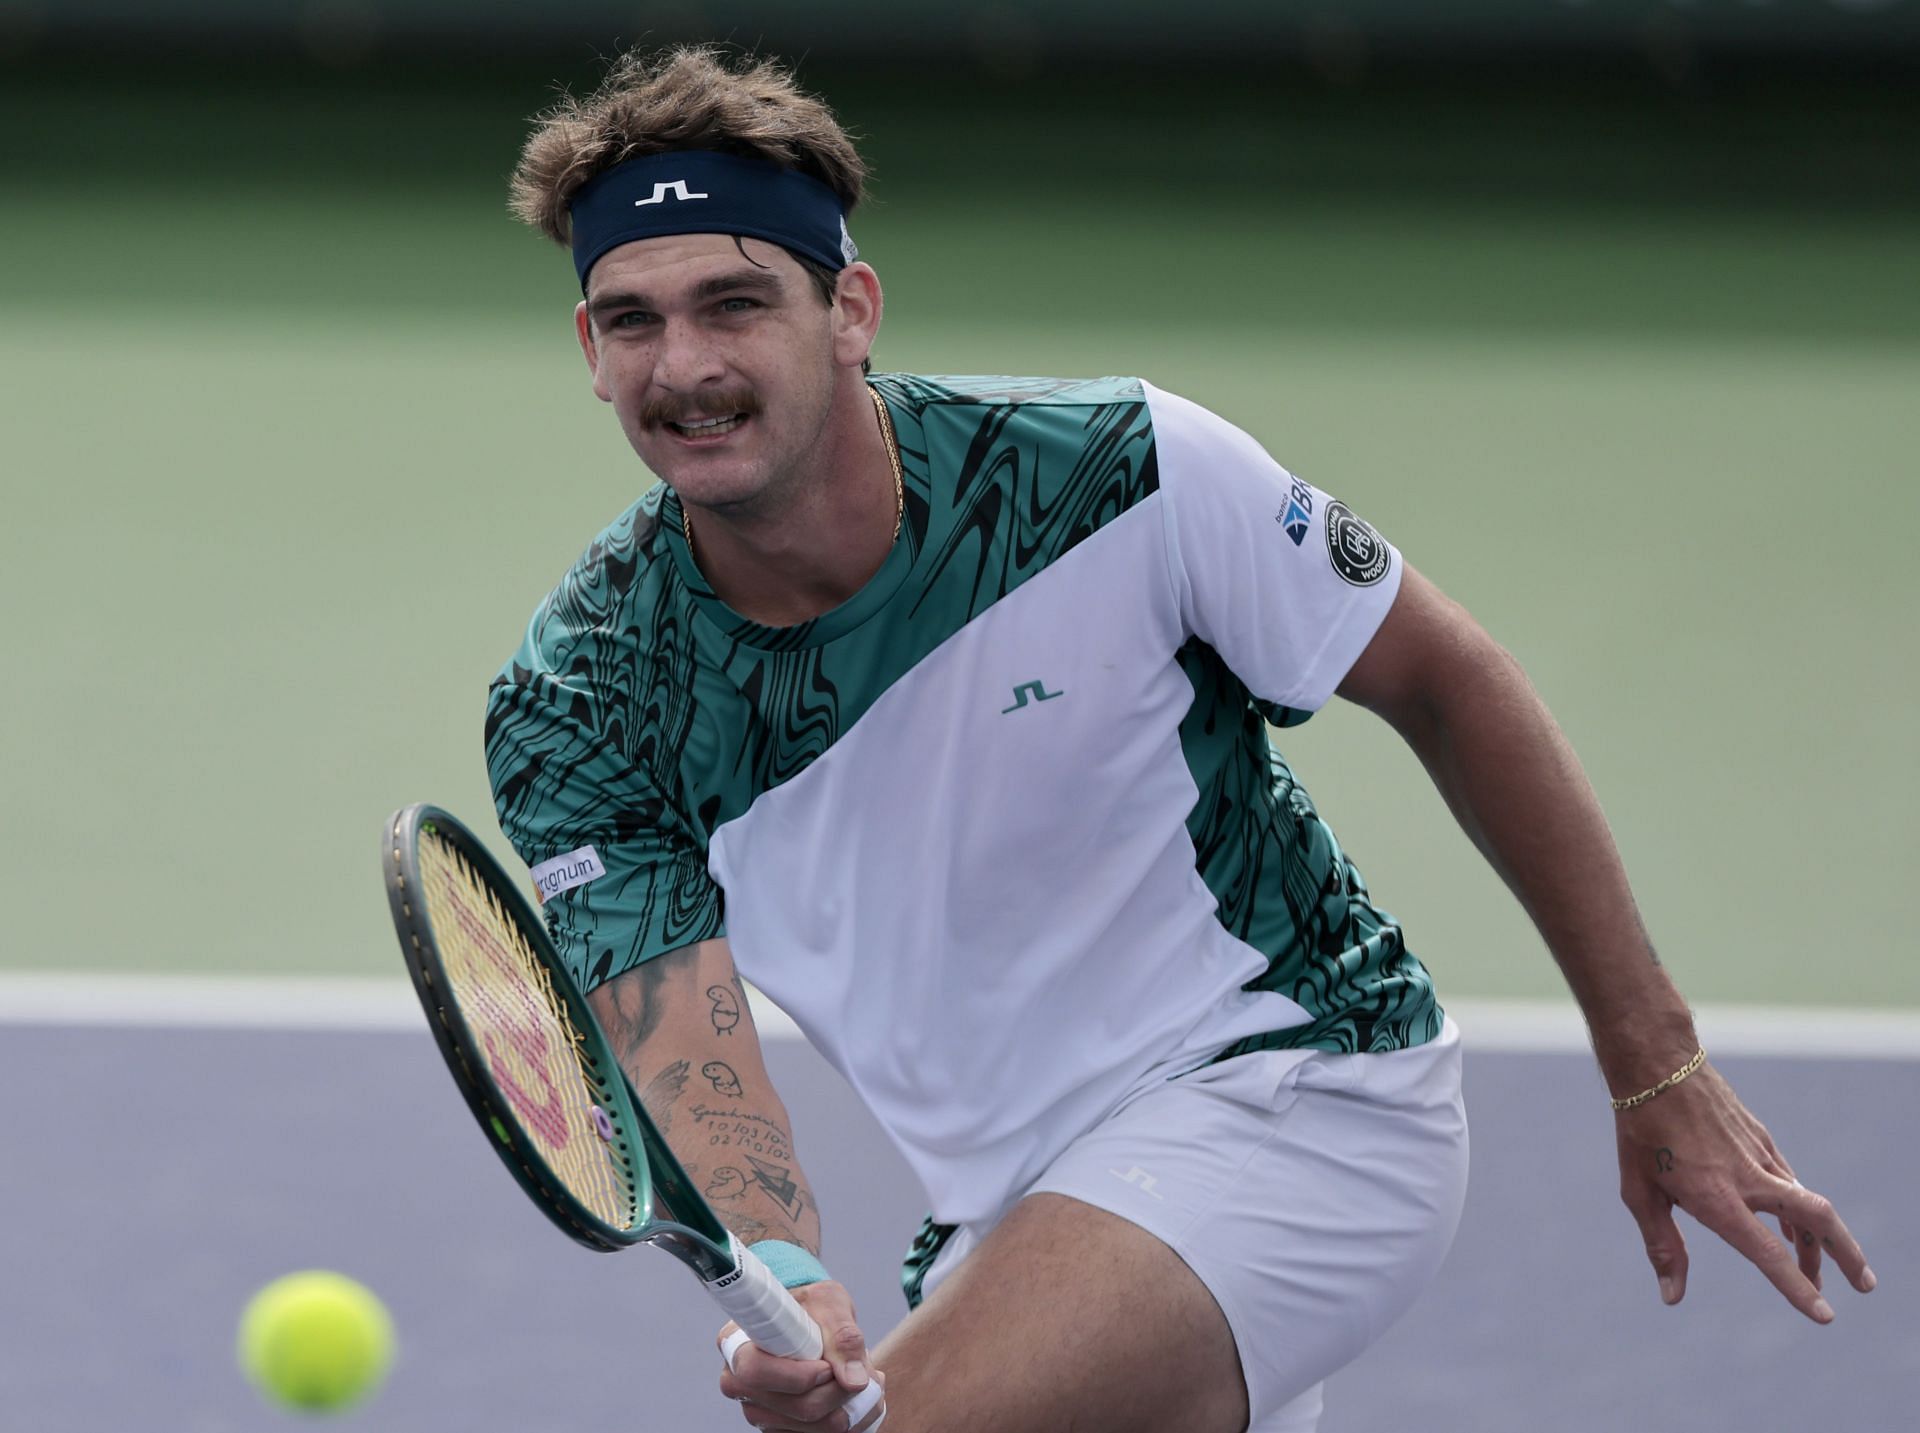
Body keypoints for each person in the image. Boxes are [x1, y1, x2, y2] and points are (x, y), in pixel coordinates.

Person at [484, 45, 1874, 1433]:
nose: (687, 365)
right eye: (633, 321)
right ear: (591, 356)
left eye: (736, 302)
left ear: (850, 308)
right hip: (1020, 1215)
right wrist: (783, 1282)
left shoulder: (1112, 472)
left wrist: (1660, 1068)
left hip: (1299, 1094)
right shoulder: (578, 697)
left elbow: (1448, 681)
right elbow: (687, 1045)